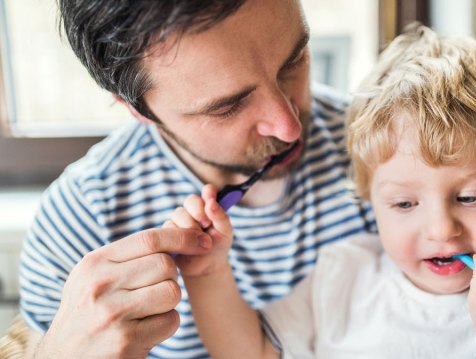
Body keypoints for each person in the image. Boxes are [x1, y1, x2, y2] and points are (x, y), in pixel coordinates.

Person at [164, 24, 476, 358]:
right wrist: (206, 272)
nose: (441, 229)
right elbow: (251, 352)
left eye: (469, 198)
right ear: (370, 201)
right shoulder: (342, 276)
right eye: (404, 203)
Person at [19, 1, 376, 358]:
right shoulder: (82, 218)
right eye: (228, 106)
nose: (289, 126)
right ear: (136, 108)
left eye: (293, 61)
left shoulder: (385, 151)